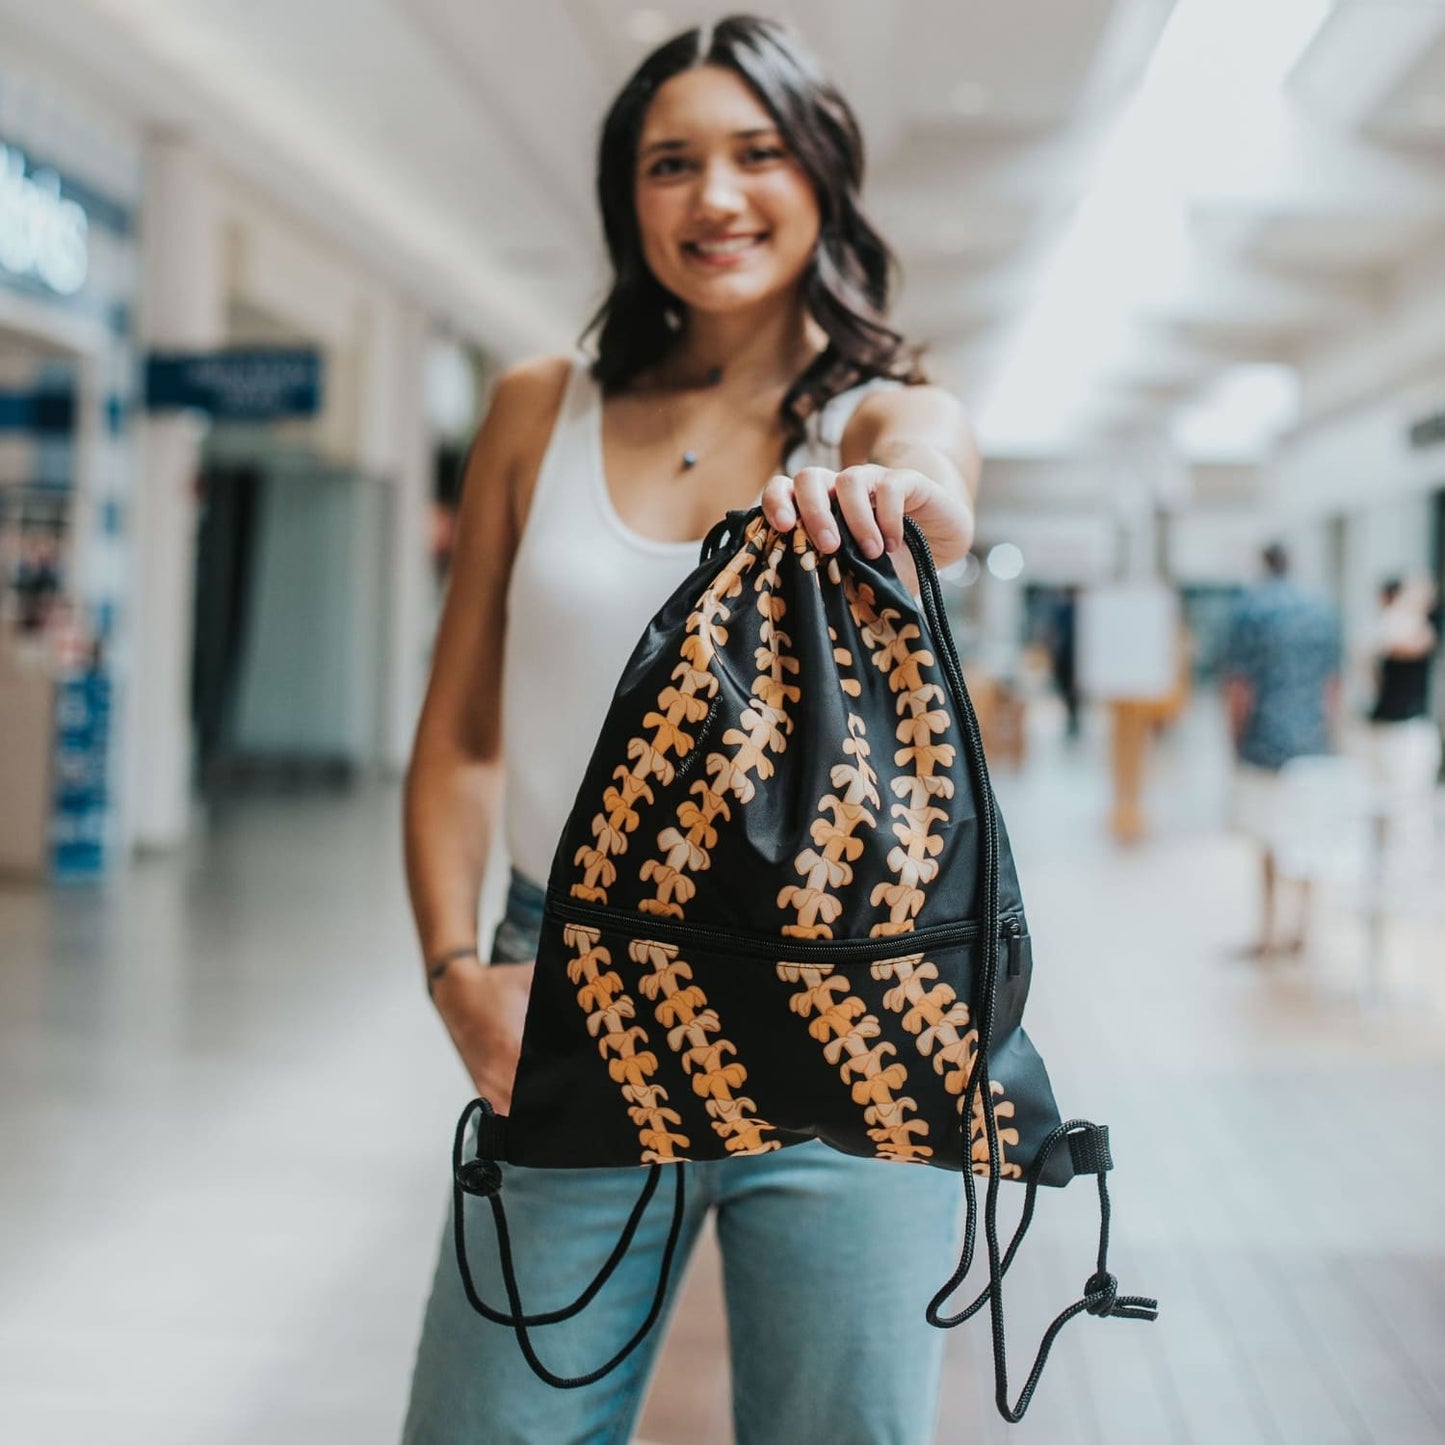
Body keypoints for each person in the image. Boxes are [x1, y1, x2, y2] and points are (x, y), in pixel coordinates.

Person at [399, 16, 981, 1445]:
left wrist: (919, 505)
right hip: (571, 984)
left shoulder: (873, 411)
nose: (715, 197)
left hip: (844, 1007)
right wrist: (456, 968)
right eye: (671, 164)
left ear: (823, 177)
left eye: (756, 153)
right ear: (628, 200)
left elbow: (933, 465)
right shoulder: (542, 406)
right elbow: (463, 730)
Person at [1223, 542, 1341, 957]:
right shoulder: (1321, 609)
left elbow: (1240, 686)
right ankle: (1304, 927)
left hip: (1265, 743)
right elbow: (1332, 685)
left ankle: (1269, 930)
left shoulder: (1251, 609)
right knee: (1308, 838)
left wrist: (1234, 740)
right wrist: (1328, 733)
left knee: (1268, 841)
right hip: (1312, 743)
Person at [1367, 575, 1441, 864]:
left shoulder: (1423, 628)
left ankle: (1408, 877)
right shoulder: (1392, 624)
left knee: (1409, 811)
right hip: (1384, 729)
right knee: (1383, 808)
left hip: (1409, 732)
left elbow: (1404, 644)